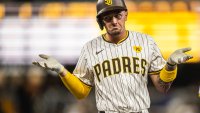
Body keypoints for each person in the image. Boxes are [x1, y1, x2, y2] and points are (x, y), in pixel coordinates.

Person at [33, 0, 193, 113]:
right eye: (108, 18)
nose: (114, 21)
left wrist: (170, 65)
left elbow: (162, 87)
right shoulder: (90, 48)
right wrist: (62, 71)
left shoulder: (146, 42)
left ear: (126, 15)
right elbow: (81, 92)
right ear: (101, 21)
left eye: (118, 15)